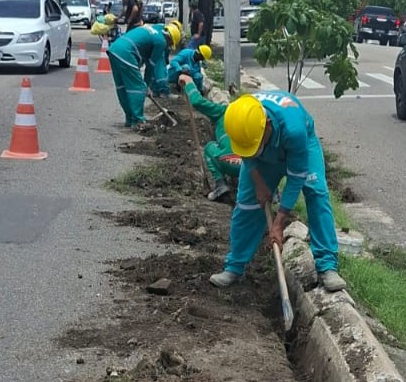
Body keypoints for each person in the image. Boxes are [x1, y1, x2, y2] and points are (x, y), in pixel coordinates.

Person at [209, 92, 345, 292]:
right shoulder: (242, 117)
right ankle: (234, 267)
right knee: (246, 204)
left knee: (316, 194)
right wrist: (259, 183)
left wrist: (279, 222)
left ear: (268, 126)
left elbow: (297, 176)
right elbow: (247, 151)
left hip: (302, 144)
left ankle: (327, 267)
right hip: (262, 155)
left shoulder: (294, 130)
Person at [177, 72, 240, 201]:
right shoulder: (254, 119)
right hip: (250, 167)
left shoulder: (223, 111)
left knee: (209, 147)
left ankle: (220, 184)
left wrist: (189, 82)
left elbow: (197, 101)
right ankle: (272, 191)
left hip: (226, 161)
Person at [107, 22, 179, 128]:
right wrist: (146, 84)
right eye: (170, 44)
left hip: (114, 49)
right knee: (138, 88)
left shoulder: (153, 31)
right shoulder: (161, 42)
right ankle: (138, 120)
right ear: (169, 39)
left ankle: (130, 118)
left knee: (122, 86)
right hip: (127, 52)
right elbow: (151, 65)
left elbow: (145, 57)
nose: (167, 47)